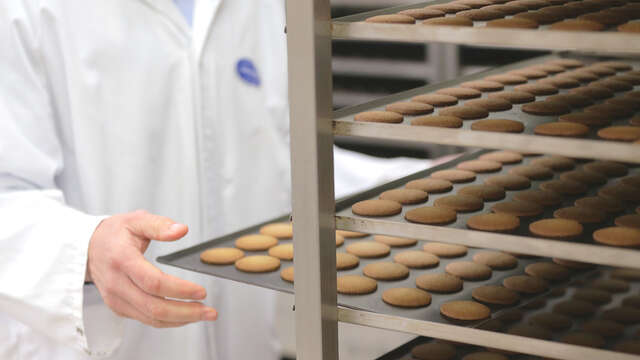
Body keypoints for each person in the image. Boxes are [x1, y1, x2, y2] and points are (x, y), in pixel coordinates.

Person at [0, 1, 290, 359]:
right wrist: (86, 249)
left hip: (247, 342)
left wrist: (379, 184)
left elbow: (286, 153)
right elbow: (7, 194)